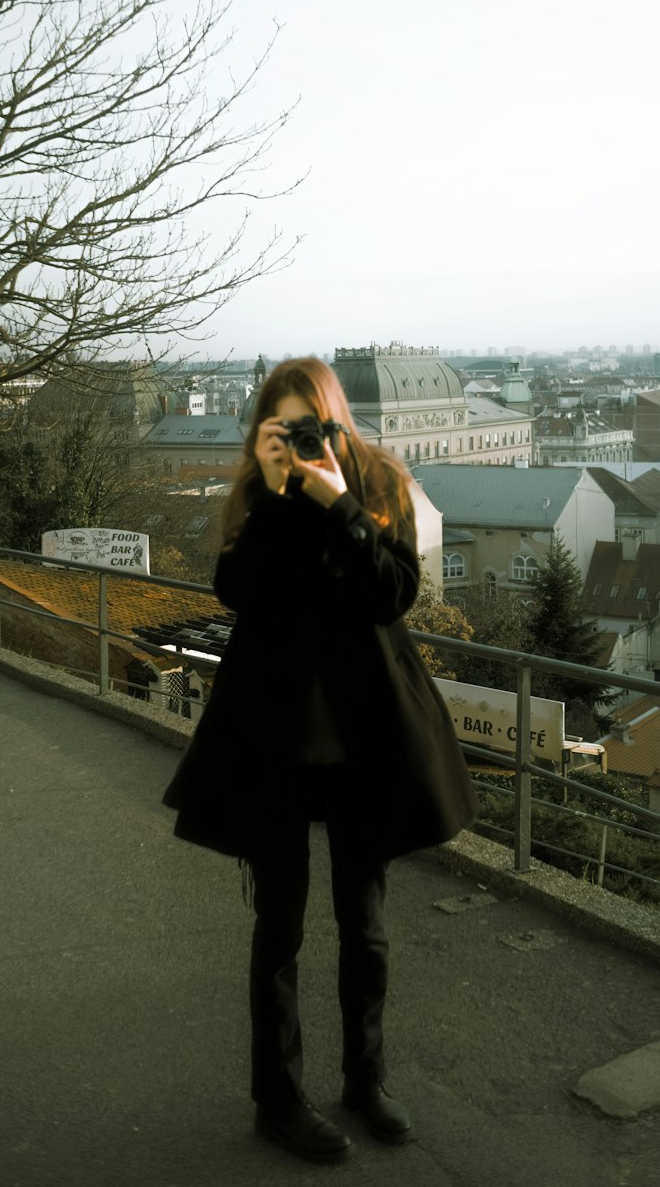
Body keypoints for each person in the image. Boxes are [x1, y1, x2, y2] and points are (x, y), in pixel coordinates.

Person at [163, 358, 477, 1164]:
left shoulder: (378, 484)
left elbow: (394, 596)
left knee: (365, 928)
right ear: (265, 432)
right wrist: (274, 496)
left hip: (364, 738)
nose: (302, 442)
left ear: (336, 420)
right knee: (280, 928)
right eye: (285, 429)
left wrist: (340, 504)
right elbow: (237, 592)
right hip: (275, 739)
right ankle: (279, 1098)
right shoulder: (256, 496)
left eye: (312, 427)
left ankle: (364, 1082)